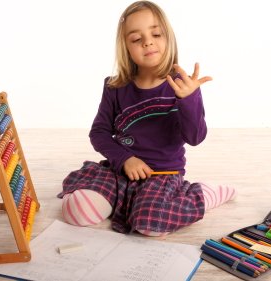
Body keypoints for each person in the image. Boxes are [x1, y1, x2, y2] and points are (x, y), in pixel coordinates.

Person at [57, 0, 236, 237]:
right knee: (76, 212)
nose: (147, 41)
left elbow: (195, 138)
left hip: (161, 176)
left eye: (155, 34)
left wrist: (189, 98)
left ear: (167, 38)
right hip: (118, 171)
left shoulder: (184, 86)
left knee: (149, 225)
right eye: (135, 38)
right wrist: (125, 159)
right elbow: (98, 133)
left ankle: (204, 194)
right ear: (126, 48)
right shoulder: (115, 86)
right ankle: (119, 200)